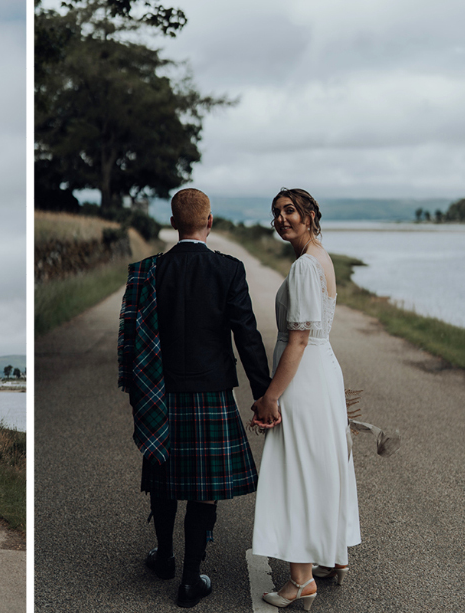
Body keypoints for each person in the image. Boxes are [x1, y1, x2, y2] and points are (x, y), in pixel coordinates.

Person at [118, 188, 274, 608]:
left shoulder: (150, 271)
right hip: (211, 393)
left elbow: (135, 343)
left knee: (164, 477)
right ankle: (191, 577)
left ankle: (164, 557)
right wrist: (265, 395)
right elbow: (247, 336)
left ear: (173, 224)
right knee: (203, 487)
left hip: (161, 393)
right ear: (210, 222)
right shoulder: (228, 269)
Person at [250, 188, 361, 610]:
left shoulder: (303, 268)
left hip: (303, 378)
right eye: (276, 212)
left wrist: (270, 397)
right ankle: (333, 556)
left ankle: (300, 581)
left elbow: (297, 340)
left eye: (290, 210)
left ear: (311, 214)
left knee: (296, 471)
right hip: (323, 371)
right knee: (322, 464)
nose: (281, 218)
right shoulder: (321, 257)